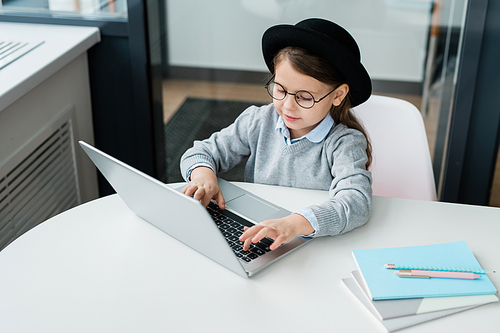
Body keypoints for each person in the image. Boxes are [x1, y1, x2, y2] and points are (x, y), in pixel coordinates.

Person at [180, 18, 373, 252]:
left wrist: (295, 223)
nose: (288, 107)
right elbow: (201, 152)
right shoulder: (259, 121)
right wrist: (203, 175)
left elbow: (356, 202)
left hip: (314, 245)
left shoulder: (344, 143)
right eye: (280, 90)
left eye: (304, 97)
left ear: (338, 95)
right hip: (258, 234)